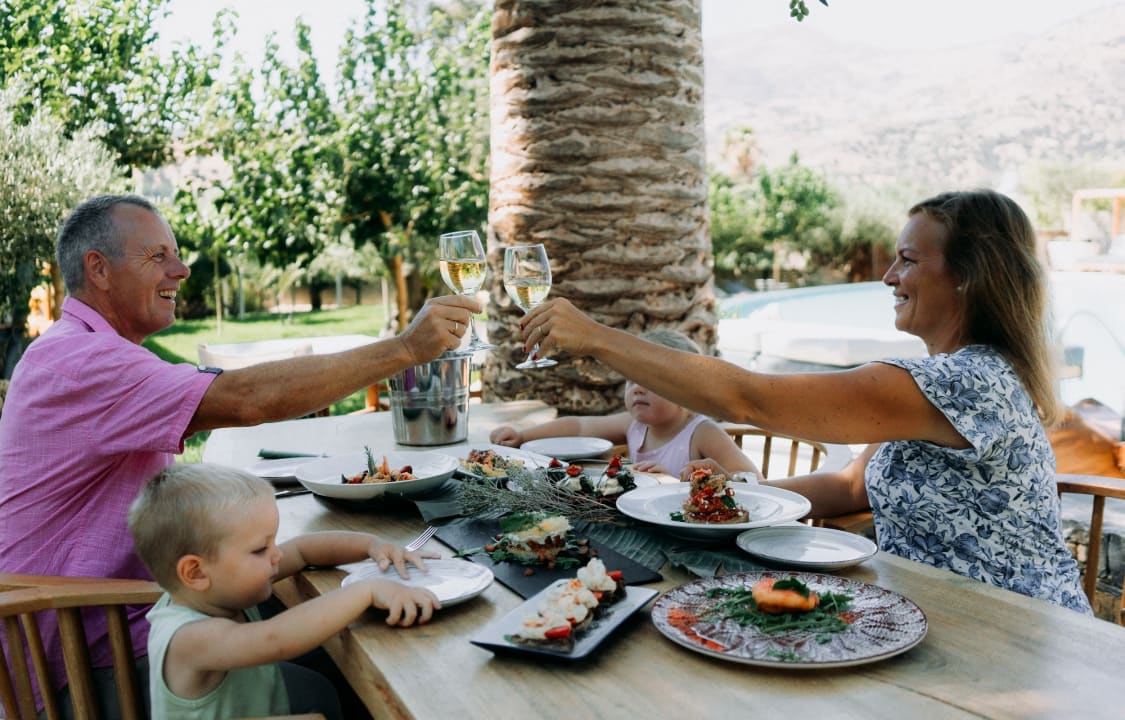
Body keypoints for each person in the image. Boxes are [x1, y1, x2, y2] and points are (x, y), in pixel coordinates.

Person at [0, 193, 479, 713]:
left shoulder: (81, 350)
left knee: (344, 646)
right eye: (158, 255)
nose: (181, 270)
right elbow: (247, 399)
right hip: (84, 665)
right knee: (346, 675)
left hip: (129, 619)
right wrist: (405, 350)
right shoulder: (80, 361)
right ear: (99, 269)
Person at [518, 189, 1091, 613]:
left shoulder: (965, 382)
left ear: (968, 276)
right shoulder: (955, 378)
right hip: (941, 611)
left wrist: (596, 338)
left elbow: (746, 398)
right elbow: (851, 486)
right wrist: (733, 498)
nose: (889, 276)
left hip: (1014, 626)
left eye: (909, 260)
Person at [127, 463, 441, 719]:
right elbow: (274, 639)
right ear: (195, 573)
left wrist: (373, 546)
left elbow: (303, 550)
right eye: (260, 549)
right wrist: (366, 590)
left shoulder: (219, 589)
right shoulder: (187, 638)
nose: (276, 555)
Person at [490, 328, 761, 479]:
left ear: (687, 393)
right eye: (632, 381)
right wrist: (523, 436)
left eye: (651, 383)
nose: (637, 389)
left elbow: (753, 479)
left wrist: (679, 483)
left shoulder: (701, 433)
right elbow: (579, 426)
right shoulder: (634, 424)